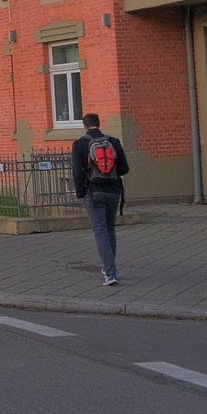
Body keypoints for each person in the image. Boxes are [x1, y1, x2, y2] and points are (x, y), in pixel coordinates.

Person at [70, 112, 130, 286]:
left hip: (94, 193)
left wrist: (81, 192)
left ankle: (110, 273)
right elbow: (125, 168)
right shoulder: (114, 141)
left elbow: (76, 172)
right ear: (99, 123)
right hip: (114, 191)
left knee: (100, 231)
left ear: (85, 126)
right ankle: (108, 268)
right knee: (110, 229)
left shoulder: (80, 144)